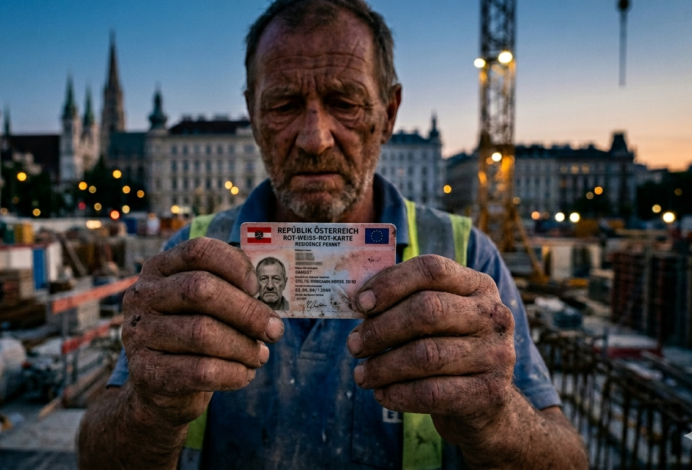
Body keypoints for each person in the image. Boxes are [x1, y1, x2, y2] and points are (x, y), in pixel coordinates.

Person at [78, 0, 588, 468]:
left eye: (345, 102)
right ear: (253, 115)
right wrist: (148, 410)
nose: (315, 138)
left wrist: (498, 420)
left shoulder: (467, 254)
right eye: (282, 105)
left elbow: (567, 458)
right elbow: (97, 455)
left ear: (388, 114)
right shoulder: (192, 255)